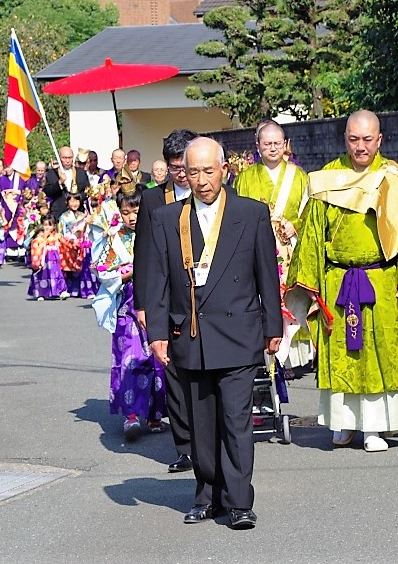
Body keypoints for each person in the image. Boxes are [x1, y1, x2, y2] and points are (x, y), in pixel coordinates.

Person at [286, 110, 398, 452]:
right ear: (345, 139)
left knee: (379, 350)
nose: (361, 147)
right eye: (354, 139)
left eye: (367, 140)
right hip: (336, 280)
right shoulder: (327, 177)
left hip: (383, 280)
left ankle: (375, 427)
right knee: (341, 352)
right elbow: (311, 234)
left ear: (379, 140)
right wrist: (309, 282)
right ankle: (342, 424)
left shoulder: (393, 179)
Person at [145, 137, 281, 530]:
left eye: (209, 170)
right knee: (200, 422)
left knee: (237, 419)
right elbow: (157, 279)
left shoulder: (251, 213)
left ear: (225, 169)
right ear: (182, 174)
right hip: (190, 333)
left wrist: (273, 326)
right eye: (193, 171)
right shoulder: (167, 218)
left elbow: (265, 275)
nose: (202, 180)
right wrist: (157, 332)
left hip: (238, 331)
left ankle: (239, 501)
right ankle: (207, 494)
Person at [134, 128, 198, 474]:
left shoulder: (213, 196)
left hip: (204, 297)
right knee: (173, 374)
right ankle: (185, 447)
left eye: (184, 166)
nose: (182, 174)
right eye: (175, 168)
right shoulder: (153, 200)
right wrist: (143, 303)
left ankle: (209, 440)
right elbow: (142, 253)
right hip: (167, 298)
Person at [232, 120, 311, 378]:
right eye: (267, 144)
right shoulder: (244, 178)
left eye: (278, 143)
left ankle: (289, 359)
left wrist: (296, 225)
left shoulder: (298, 176)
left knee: (288, 299)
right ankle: (262, 354)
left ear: (285, 144)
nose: (273, 148)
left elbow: (310, 212)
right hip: (256, 248)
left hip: (289, 248)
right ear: (257, 146)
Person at [92, 183, 167, 441]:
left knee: (159, 360)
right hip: (128, 306)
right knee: (130, 360)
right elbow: (103, 271)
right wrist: (128, 272)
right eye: (126, 212)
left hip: (158, 303)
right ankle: (132, 415)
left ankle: (156, 414)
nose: (132, 217)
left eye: (136, 210)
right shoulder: (113, 239)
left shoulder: (158, 230)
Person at [27, 215, 71, 300]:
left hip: (55, 257)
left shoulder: (57, 235)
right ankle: (41, 293)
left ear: (54, 226)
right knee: (43, 274)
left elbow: (66, 244)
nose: (47, 227)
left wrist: (74, 243)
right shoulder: (40, 236)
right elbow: (35, 243)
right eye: (45, 225)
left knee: (58, 274)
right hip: (44, 257)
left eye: (50, 225)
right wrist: (44, 238)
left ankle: (61, 291)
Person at [43, 146, 90, 215]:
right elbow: (48, 192)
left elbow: (87, 191)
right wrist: (59, 182)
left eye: (70, 158)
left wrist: (76, 199)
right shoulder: (52, 173)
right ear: (59, 158)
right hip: (59, 212)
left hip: (78, 212)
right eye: (64, 158)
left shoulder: (81, 173)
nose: (67, 161)